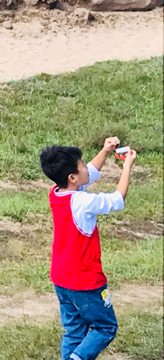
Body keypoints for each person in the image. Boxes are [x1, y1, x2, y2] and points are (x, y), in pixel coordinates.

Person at [39, 137, 136, 360]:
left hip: (61, 278)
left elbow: (88, 174)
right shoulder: (83, 201)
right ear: (72, 178)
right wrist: (127, 166)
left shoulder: (56, 193)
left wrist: (105, 151)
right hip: (84, 280)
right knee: (105, 327)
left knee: (74, 331)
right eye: (81, 164)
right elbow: (117, 199)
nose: (86, 166)